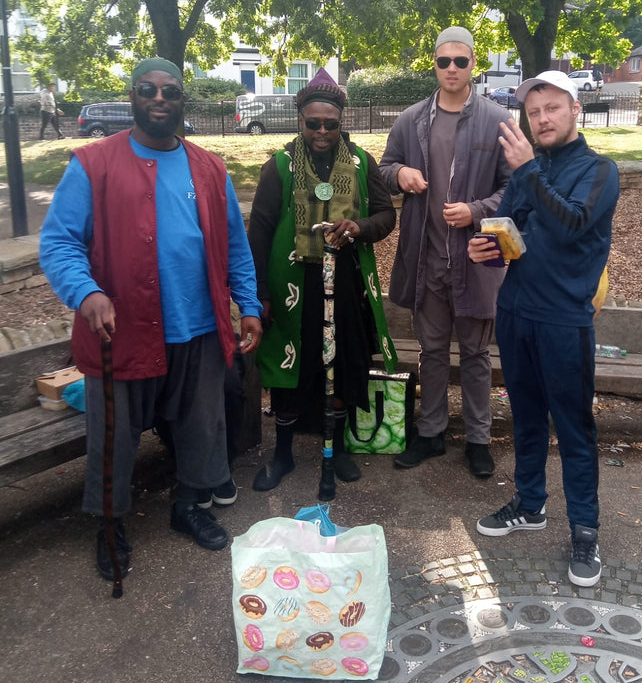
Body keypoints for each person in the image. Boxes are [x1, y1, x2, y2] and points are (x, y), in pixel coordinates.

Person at [39, 57, 263, 581]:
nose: (160, 98)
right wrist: (85, 291)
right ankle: (111, 525)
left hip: (199, 325)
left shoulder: (210, 168)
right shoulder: (93, 164)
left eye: (170, 91)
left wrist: (248, 305)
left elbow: (235, 246)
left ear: (182, 101)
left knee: (199, 426)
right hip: (123, 330)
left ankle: (189, 506)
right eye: (148, 89)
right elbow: (59, 242)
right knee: (114, 436)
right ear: (133, 97)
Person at [472, 70, 620, 587]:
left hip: (564, 321)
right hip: (516, 315)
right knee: (527, 419)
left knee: (575, 430)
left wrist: (530, 170)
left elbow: (572, 224)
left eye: (552, 108)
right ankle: (529, 504)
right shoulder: (523, 174)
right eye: (533, 112)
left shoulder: (600, 170)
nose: (541, 119)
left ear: (575, 109)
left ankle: (584, 529)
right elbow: (508, 239)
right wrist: (484, 250)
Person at [248, 69, 397, 490]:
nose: (322, 131)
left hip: (345, 282)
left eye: (330, 123)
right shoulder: (278, 166)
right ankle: (282, 455)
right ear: (301, 121)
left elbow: (387, 216)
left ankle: (340, 448)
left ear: (340, 122)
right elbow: (258, 232)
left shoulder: (361, 162)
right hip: (294, 285)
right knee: (290, 366)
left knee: (344, 363)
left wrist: (360, 227)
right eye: (313, 123)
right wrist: (258, 294)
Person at [378, 27, 511, 477]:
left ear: (475, 63)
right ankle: (431, 432)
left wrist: (475, 210)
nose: (452, 69)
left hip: (477, 259)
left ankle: (478, 439)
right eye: (443, 61)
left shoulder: (497, 120)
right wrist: (401, 176)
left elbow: (516, 190)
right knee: (431, 351)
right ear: (433, 64)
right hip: (426, 258)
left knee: (475, 355)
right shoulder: (411, 119)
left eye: (461, 61)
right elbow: (383, 168)